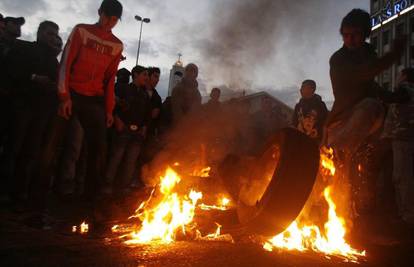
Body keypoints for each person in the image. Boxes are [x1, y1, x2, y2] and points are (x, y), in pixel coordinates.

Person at [30, 0, 123, 228]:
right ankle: (36, 208)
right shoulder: (82, 31)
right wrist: (64, 96)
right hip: (71, 93)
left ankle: (91, 209)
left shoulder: (117, 45)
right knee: (49, 149)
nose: (109, 23)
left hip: (94, 100)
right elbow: (65, 63)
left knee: (98, 152)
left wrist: (109, 110)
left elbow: (110, 81)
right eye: (107, 17)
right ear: (99, 12)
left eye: (114, 20)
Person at [325, 9, 405, 153]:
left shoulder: (368, 54)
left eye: (355, 34)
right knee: (371, 105)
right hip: (341, 124)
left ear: (365, 34)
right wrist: (393, 55)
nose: (350, 39)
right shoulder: (338, 59)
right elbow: (363, 73)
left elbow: (371, 86)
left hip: (366, 127)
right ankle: (338, 154)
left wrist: (396, 97)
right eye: (345, 35)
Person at [4, 21, 61, 203]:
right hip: (21, 105)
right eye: (50, 34)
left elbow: (56, 83)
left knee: (30, 151)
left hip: (42, 110)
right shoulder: (23, 48)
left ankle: (20, 192)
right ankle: (4, 190)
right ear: (41, 33)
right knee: (13, 148)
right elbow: (9, 71)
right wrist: (34, 77)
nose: (53, 38)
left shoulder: (53, 60)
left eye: (55, 34)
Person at [103, 65, 151, 194]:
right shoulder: (124, 89)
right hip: (123, 129)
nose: (146, 78)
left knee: (131, 160)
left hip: (137, 133)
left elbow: (147, 113)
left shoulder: (144, 94)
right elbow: (114, 106)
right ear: (135, 74)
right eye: (144, 74)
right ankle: (107, 185)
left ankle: (124, 186)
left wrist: (144, 127)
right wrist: (117, 120)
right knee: (116, 157)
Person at [382, 68, 414, 225]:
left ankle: (407, 216)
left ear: (404, 77)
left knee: (402, 177)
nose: (397, 77)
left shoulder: (406, 89)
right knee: (400, 176)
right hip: (400, 139)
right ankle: (404, 213)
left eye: (399, 75)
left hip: (404, 139)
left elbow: (391, 100)